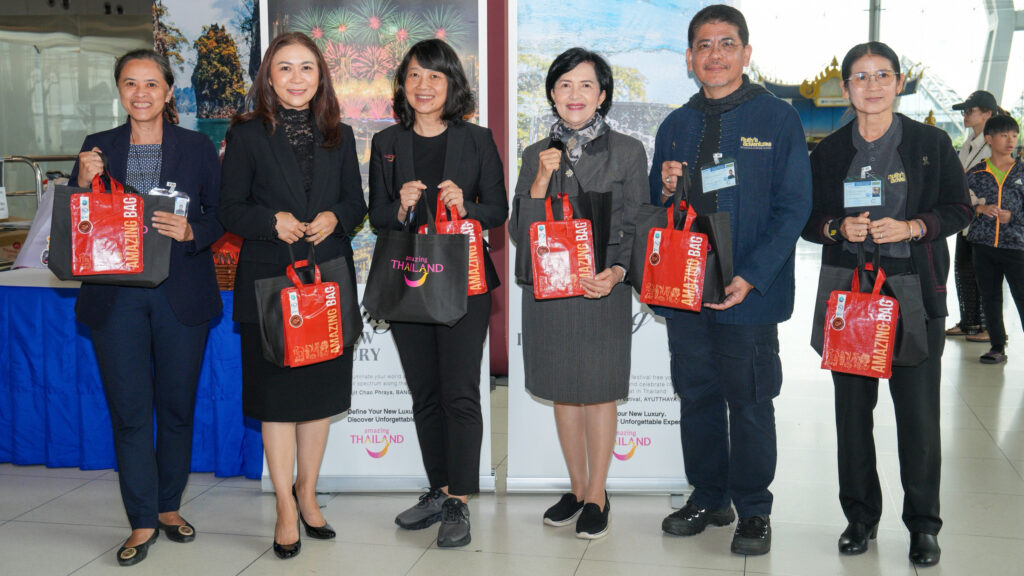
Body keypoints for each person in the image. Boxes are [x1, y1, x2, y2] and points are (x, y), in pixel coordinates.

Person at [649, 4, 811, 556]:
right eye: (702, 45)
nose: (713, 55)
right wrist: (667, 188)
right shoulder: (674, 124)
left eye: (725, 44)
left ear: (746, 52)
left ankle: (754, 510)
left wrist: (752, 275)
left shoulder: (777, 117)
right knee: (696, 395)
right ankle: (709, 497)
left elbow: (795, 207)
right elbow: (657, 205)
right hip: (686, 289)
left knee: (749, 400)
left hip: (748, 292)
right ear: (690, 57)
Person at [802, 41, 971, 567]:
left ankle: (923, 525)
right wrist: (836, 226)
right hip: (852, 297)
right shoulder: (828, 153)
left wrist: (917, 226)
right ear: (845, 87)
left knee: (918, 419)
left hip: (914, 292)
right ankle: (860, 517)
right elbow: (807, 220)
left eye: (882, 75)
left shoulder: (930, 143)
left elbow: (959, 208)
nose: (871, 86)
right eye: (859, 77)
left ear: (899, 83)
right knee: (852, 415)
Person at [69, 49, 223, 566]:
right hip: (116, 300)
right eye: (130, 84)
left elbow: (221, 214)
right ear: (119, 91)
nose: (141, 93)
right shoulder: (98, 147)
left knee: (177, 410)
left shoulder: (198, 147)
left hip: (181, 295)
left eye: (151, 84)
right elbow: (77, 221)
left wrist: (193, 230)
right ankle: (140, 520)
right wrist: (79, 182)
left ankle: (168, 507)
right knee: (130, 413)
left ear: (167, 91)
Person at [218, 32, 367, 559]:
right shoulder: (246, 134)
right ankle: (284, 504)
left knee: (318, 400)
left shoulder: (340, 135)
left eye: (307, 68)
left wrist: (337, 218)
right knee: (277, 402)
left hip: (325, 279)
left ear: (321, 76)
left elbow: (357, 201)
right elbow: (228, 208)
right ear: (269, 77)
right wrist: (269, 221)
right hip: (268, 284)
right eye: (285, 68)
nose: (297, 78)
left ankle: (308, 492)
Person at [367, 39, 507, 548]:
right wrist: (400, 207)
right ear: (403, 85)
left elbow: (498, 210)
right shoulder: (385, 141)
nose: (423, 86)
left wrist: (466, 205)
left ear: (451, 85)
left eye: (435, 77)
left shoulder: (476, 140)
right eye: (414, 76)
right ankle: (438, 488)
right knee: (424, 394)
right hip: (408, 283)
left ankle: (460, 501)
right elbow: (376, 215)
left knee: (459, 392)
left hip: (463, 284)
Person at [510, 47, 647, 539]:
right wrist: (543, 178)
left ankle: (598, 494)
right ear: (552, 93)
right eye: (565, 85)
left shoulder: (628, 151)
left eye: (586, 85)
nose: (575, 94)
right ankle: (575, 486)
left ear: (602, 95)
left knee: (598, 393)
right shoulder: (534, 155)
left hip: (601, 288)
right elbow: (517, 229)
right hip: (549, 292)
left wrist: (614, 273)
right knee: (564, 392)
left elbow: (636, 223)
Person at [966, 114, 1024, 364]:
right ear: (989, 139)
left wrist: (1013, 216)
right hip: (983, 246)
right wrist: (979, 209)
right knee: (989, 297)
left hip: (1016, 246)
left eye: (1014, 135)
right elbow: (959, 204)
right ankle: (997, 346)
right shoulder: (977, 173)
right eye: (1004, 135)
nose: (1010, 140)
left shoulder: (1022, 170)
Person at [947, 90, 1002, 342]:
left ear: (987, 114)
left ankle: (991, 327)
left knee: (987, 276)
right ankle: (969, 322)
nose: (965, 115)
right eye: (964, 111)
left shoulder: (994, 143)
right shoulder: (968, 143)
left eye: (970, 111)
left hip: (988, 218)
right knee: (964, 270)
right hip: (967, 215)